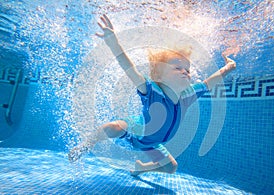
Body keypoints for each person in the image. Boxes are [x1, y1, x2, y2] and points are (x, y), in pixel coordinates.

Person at [68, 14, 236, 176]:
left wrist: (229, 67)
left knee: (171, 167)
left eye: (188, 69)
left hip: (153, 144)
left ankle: (141, 168)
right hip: (136, 132)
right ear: (158, 75)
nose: (185, 72)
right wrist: (114, 44)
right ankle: (85, 146)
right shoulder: (152, 91)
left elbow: (212, 80)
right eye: (178, 68)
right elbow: (130, 69)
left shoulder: (188, 95)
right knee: (111, 128)